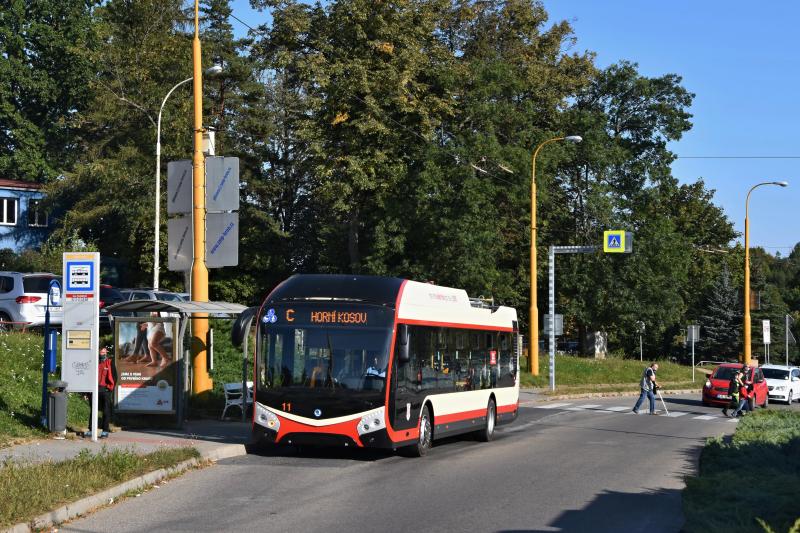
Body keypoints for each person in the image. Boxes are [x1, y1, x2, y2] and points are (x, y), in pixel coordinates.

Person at [86, 346, 115, 438]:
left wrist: (109, 388)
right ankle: (91, 430)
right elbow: (88, 376)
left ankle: (105, 430)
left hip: (105, 389)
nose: (102, 354)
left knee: (106, 411)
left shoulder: (110, 362)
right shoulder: (93, 362)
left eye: (104, 352)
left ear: (106, 352)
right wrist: (86, 392)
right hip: (94, 389)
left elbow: (115, 376)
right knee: (93, 410)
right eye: (100, 352)